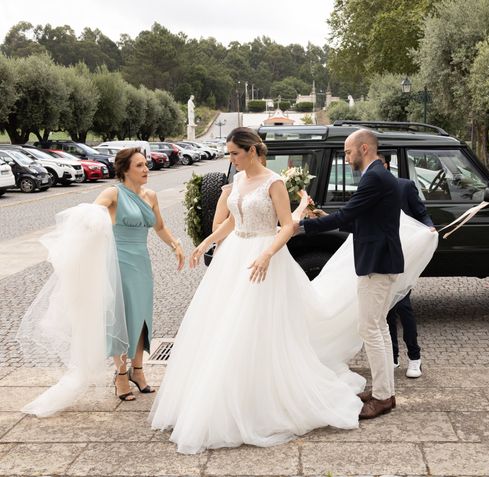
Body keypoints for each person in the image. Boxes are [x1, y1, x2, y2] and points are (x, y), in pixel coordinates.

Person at [149, 128, 362, 453]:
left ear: (251, 151)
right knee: (221, 323)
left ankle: (262, 398)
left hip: (264, 257)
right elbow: (233, 220)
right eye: (229, 153)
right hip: (234, 255)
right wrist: (208, 241)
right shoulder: (237, 182)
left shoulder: (273, 182)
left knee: (253, 323)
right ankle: (222, 393)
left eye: (234, 153)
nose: (230, 158)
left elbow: (288, 225)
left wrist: (266, 253)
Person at [295, 129, 404, 420]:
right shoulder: (379, 175)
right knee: (377, 327)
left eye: (347, 152)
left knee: (370, 328)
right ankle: (384, 391)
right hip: (381, 259)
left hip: (377, 263)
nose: (346, 157)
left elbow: (348, 215)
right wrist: (321, 218)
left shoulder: (374, 177)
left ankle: (383, 397)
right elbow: (364, 220)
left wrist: (303, 226)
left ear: (364, 148)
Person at [94, 147, 185, 401]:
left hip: (141, 262)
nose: (146, 169)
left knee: (142, 316)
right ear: (124, 170)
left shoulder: (151, 195)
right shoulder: (113, 193)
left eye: (146, 164)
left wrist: (175, 245)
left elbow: (160, 226)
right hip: (118, 262)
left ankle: (138, 370)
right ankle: (121, 375)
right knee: (120, 318)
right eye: (140, 166)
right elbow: (92, 213)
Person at [382, 157, 436, 379]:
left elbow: (421, 212)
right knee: (387, 309)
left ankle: (415, 358)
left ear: (385, 166)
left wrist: (430, 227)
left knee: (403, 304)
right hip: (382, 255)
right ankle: (393, 356)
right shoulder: (369, 191)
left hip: (405, 254)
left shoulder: (405, 186)